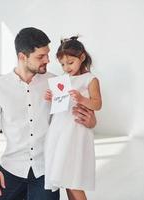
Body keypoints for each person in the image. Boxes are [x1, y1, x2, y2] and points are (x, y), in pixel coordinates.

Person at [0, 28, 97, 200]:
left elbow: (72, 118)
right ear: (22, 57)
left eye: (47, 54)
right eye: (40, 57)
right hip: (11, 168)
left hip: (45, 169)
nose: (48, 60)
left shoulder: (57, 83)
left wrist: (91, 121)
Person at [44, 36, 102, 200]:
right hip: (59, 131)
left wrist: (83, 99)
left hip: (75, 132)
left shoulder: (90, 79)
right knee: (66, 178)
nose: (66, 67)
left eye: (70, 63)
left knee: (72, 178)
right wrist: (52, 98)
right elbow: (62, 105)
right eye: (62, 64)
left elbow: (97, 104)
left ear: (82, 57)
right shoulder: (62, 80)